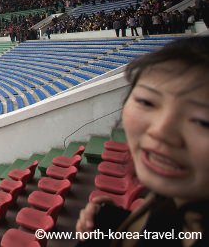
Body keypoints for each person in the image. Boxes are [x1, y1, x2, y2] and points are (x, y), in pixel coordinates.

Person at [76, 37, 209, 246]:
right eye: (147, 102)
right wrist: (116, 225)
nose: (160, 131)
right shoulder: (170, 199)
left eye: (203, 121)